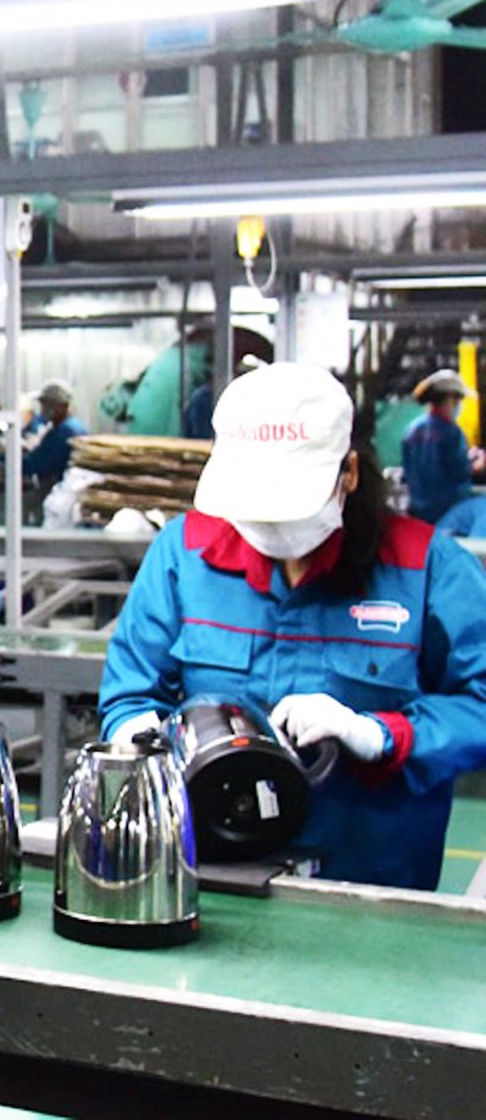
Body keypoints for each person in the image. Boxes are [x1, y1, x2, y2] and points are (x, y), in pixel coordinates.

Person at [100, 363, 486, 891]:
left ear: (347, 474)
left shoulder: (428, 569)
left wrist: (377, 733)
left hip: (368, 888)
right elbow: (129, 691)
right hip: (213, 879)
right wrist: (142, 738)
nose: (270, 525)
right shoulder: (184, 555)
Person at [400, 369, 478, 525]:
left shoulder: (411, 431)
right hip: (449, 514)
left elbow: (408, 474)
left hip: (418, 514)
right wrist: (477, 465)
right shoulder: (451, 433)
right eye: (458, 400)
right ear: (449, 399)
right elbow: (460, 472)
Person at [22, 378, 86, 489]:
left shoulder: (64, 432)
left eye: (44, 404)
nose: (42, 409)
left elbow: (34, 464)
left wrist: (5, 457)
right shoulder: (73, 425)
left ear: (57, 406)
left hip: (59, 490)